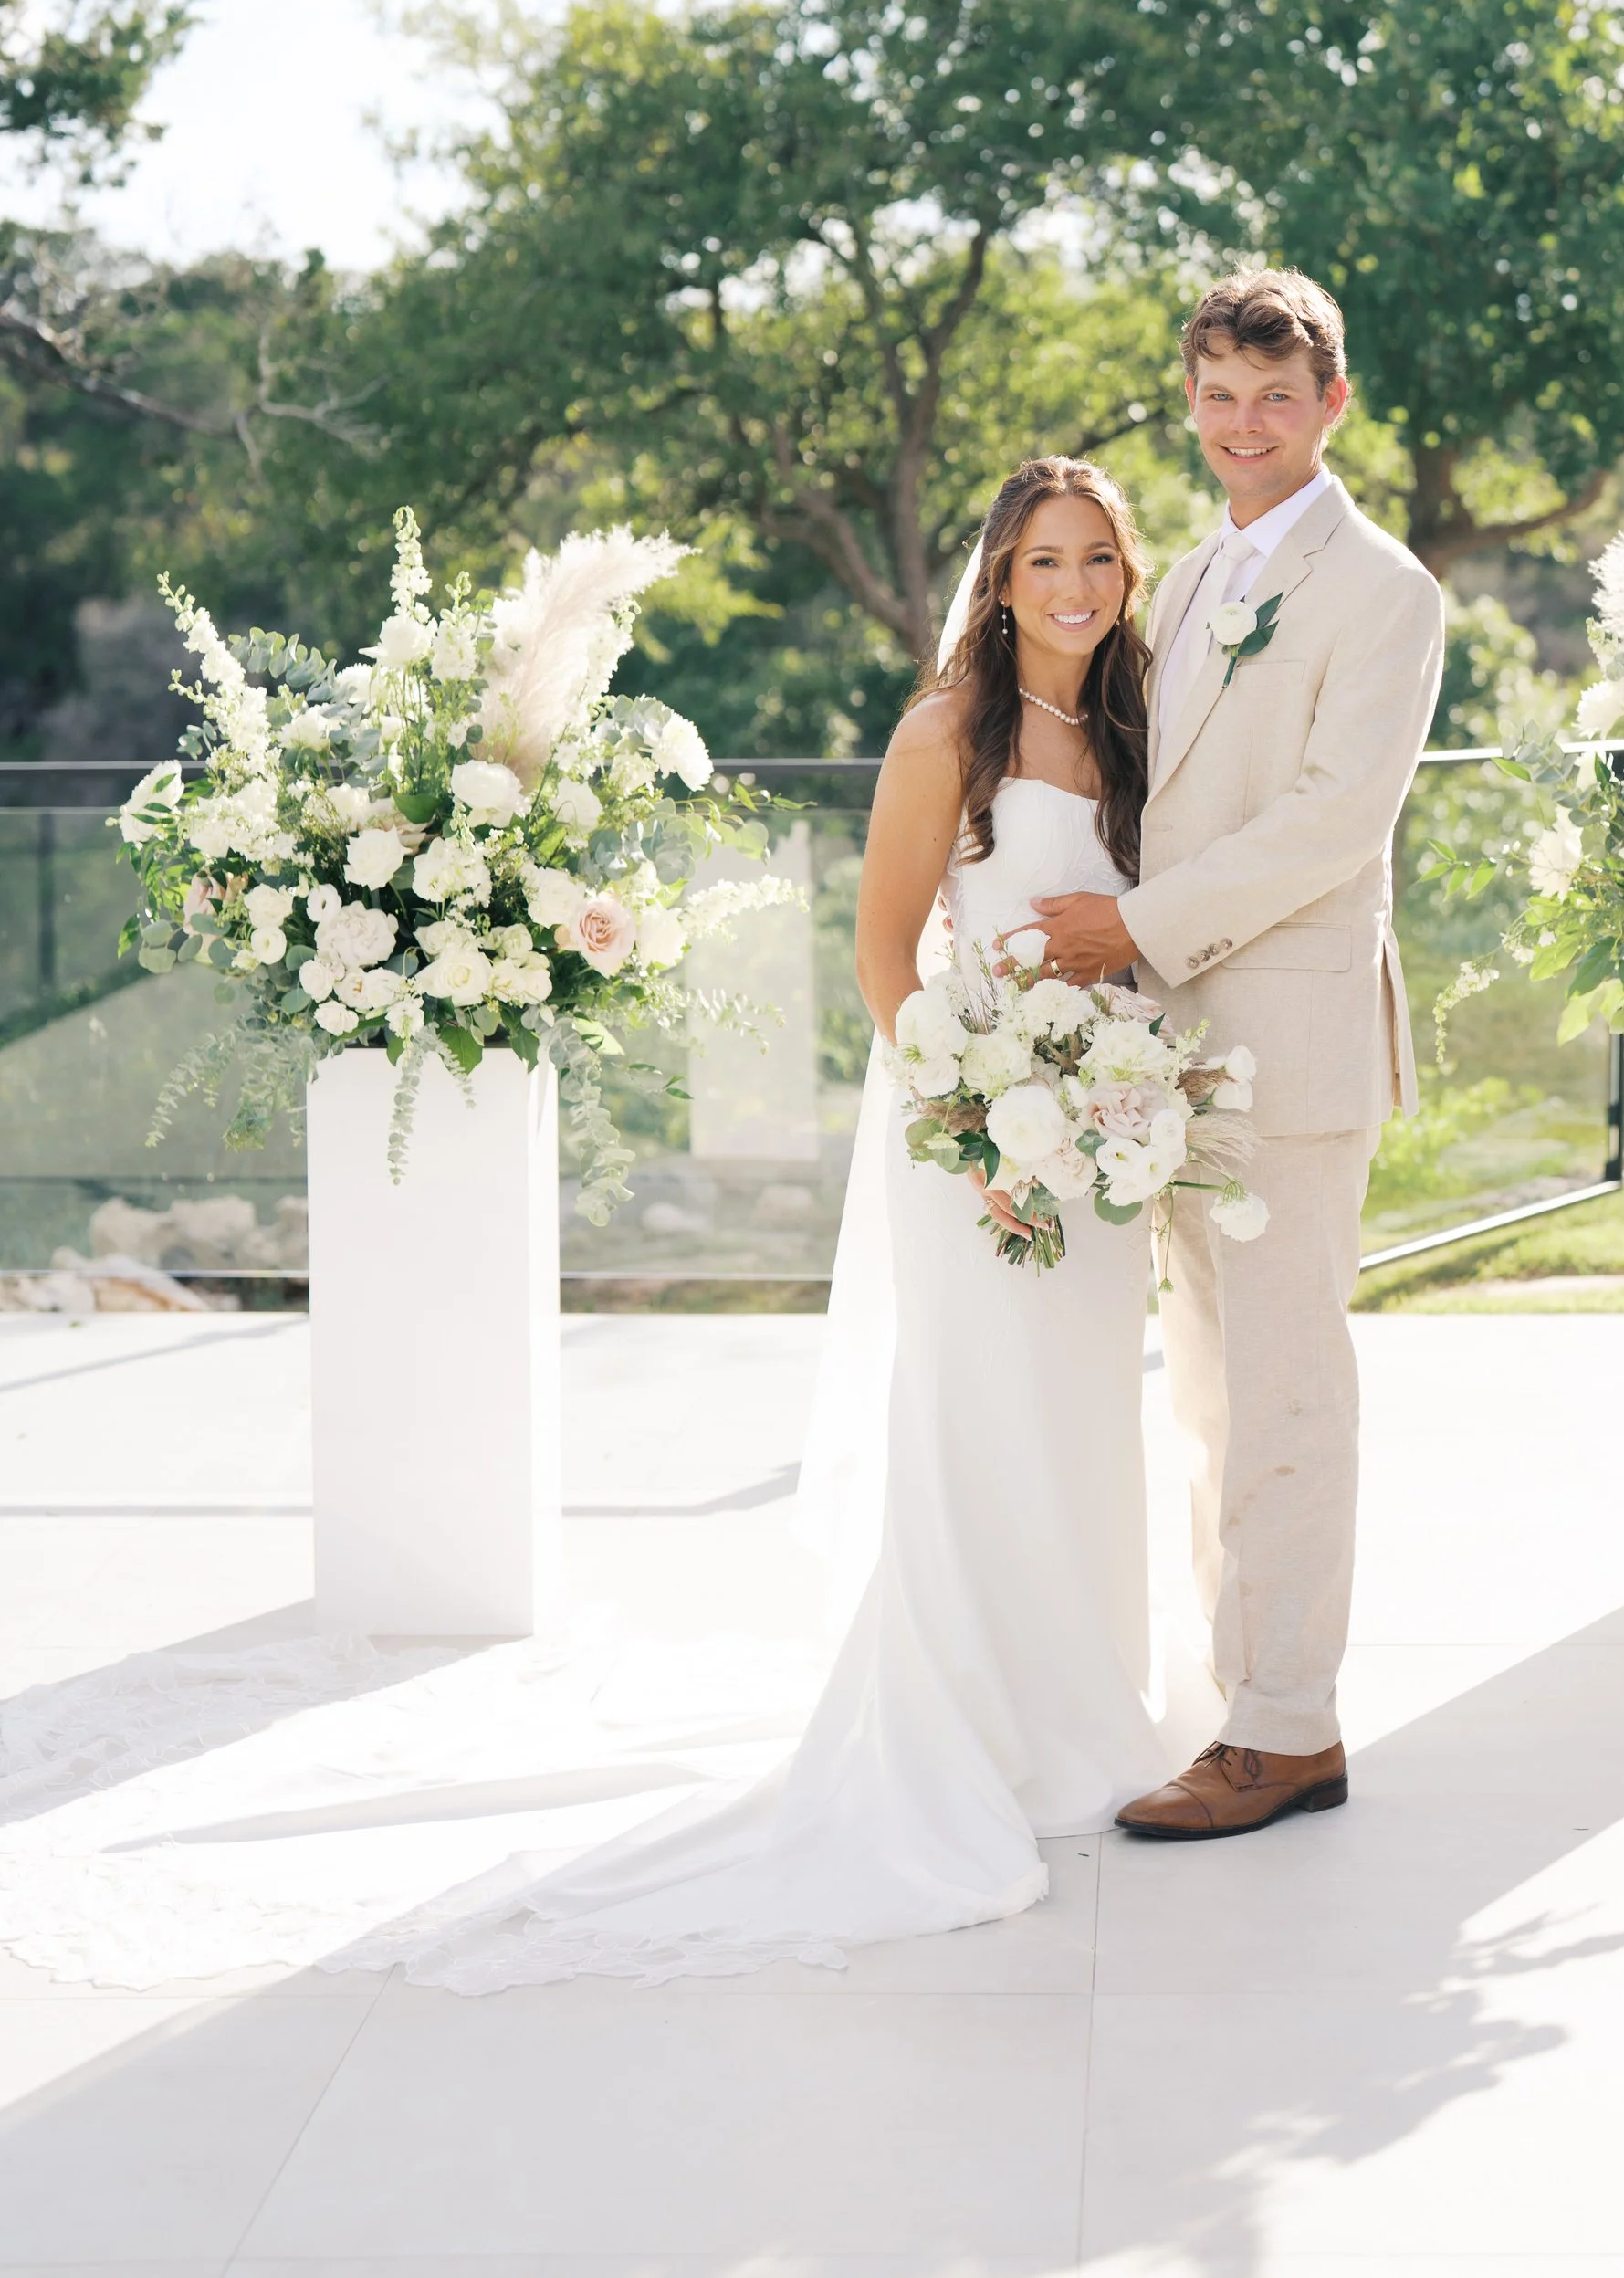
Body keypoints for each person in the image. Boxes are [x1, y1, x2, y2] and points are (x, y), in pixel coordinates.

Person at [374, 456, 1174, 1984]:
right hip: (972, 1127)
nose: (1074, 588)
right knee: (974, 1422)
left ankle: (1084, 1719)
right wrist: (972, 1126)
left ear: (1125, 577)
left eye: (1099, 561)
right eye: (1043, 563)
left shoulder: (1138, 731)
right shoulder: (948, 732)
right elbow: (886, 955)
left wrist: (1119, 1110)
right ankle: (965, 1739)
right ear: (998, 584)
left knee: (1079, 1424)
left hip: (1102, 1137)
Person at [1033, 269, 1444, 1842]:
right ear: (1189, 401)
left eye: (1277, 396)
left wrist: (1130, 928)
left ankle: (1289, 1732)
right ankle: (1244, 1694)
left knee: (1282, 1395)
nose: (1244, 425)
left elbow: (1335, 819)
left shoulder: (1387, 589)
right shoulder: (1196, 576)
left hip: (1290, 1038)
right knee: (1212, 1391)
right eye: (1217, 395)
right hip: (1178, 1055)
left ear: (1333, 404)